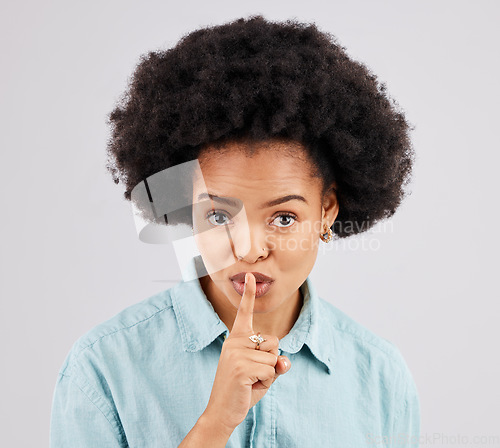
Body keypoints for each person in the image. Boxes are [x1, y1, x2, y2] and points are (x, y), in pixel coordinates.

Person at [50, 15, 420, 448]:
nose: (248, 250)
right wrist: (215, 424)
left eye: (283, 218)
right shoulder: (104, 369)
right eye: (220, 216)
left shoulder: (380, 377)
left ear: (327, 212)